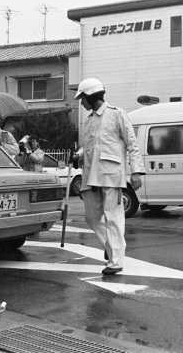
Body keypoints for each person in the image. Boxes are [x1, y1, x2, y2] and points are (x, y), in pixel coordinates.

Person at [73, 77, 145, 276]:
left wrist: (136, 171)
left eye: (82, 98)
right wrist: (78, 155)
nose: (81, 102)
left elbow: (132, 144)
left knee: (113, 217)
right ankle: (111, 246)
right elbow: (89, 146)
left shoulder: (117, 114)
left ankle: (115, 261)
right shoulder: (88, 121)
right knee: (92, 218)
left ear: (90, 96)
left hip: (111, 174)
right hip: (90, 174)